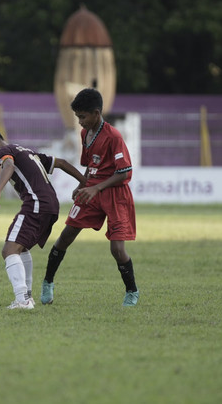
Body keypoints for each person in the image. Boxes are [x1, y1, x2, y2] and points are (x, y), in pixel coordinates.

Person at [40, 88, 140, 306]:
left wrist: (96, 188)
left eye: (82, 117)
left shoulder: (114, 136)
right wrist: (82, 184)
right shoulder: (85, 133)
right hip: (91, 190)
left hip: (114, 194)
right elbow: (91, 165)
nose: (80, 122)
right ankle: (47, 282)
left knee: (117, 249)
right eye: (78, 117)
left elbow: (126, 172)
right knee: (66, 236)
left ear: (96, 113)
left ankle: (131, 291)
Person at [0, 126, 86, 310]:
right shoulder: (26, 151)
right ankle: (27, 297)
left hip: (36, 203)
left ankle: (22, 300)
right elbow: (62, 163)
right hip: (50, 205)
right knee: (21, 247)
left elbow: (8, 165)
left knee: (9, 249)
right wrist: (84, 182)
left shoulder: (5, 151)